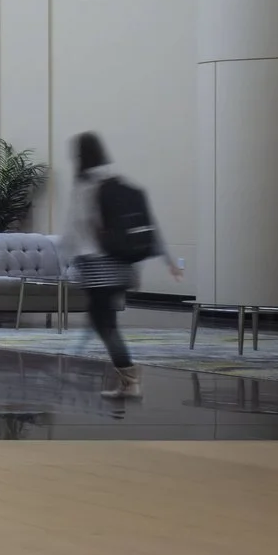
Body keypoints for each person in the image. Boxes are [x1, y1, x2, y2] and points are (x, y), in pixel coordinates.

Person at [63, 131, 182, 400]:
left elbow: (77, 229)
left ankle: (128, 377)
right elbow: (147, 223)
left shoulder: (85, 186)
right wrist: (168, 259)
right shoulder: (119, 184)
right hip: (123, 265)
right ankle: (120, 377)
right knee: (102, 321)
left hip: (97, 266)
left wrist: (65, 257)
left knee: (104, 323)